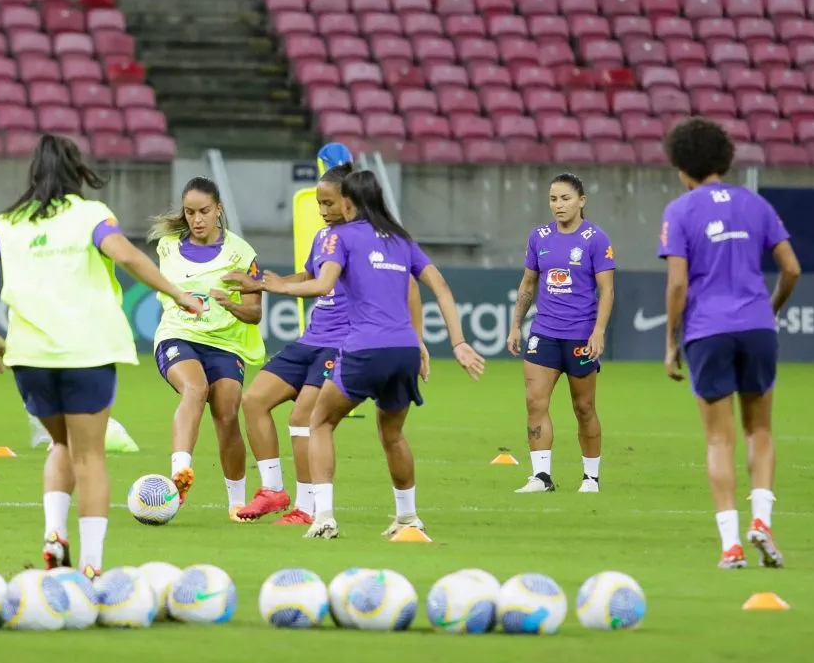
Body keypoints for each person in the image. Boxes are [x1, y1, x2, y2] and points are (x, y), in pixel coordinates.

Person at [0, 134, 201, 579]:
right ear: (76, 171)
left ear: (34, 172)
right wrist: (178, 293)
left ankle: (54, 535)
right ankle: (91, 565)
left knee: (62, 445)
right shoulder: (90, 215)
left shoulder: (7, 223)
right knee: (89, 457)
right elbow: (127, 256)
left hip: (30, 358)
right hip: (86, 352)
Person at [228, 170, 484, 539]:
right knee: (392, 434)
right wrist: (458, 343)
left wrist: (278, 287)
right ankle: (408, 517)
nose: (325, 209)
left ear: (348, 201)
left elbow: (323, 284)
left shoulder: (341, 236)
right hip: (404, 351)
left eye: (332, 202)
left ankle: (322, 517)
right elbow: (440, 288)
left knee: (318, 422)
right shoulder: (401, 239)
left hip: (364, 348)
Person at [658, 117, 801, 569]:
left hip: (707, 329)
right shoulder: (755, 203)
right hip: (757, 326)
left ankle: (731, 546)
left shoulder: (680, 210)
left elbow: (677, 283)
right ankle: (763, 522)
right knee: (760, 429)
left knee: (719, 440)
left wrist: (671, 340)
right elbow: (792, 268)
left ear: (682, 166)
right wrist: (770, 308)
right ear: (723, 159)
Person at [148, 176, 267, 522]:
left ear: (219, 209)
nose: (196, 219)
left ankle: (236, 504)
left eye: (204, 211)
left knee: (227, 413)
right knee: (195, 388)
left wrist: (229, 304)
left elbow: (255, 314)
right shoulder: (168, 247)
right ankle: (179, 474)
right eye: (189, 212)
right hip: (178, 335)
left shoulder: (242, 254)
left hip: (225, 343)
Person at [507, 174, 616, 495]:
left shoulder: (596, 239)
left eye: (565, 198)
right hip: (544, 332)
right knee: (534, 402)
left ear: (581, 201)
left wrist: (598, 331)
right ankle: (541, 477)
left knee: (584, 408)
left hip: (580, 335)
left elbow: (607, 290)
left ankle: (591, 478)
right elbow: (528, 283)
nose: (559, 205)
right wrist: (515, 324)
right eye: (553, 199)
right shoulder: (539, 237)